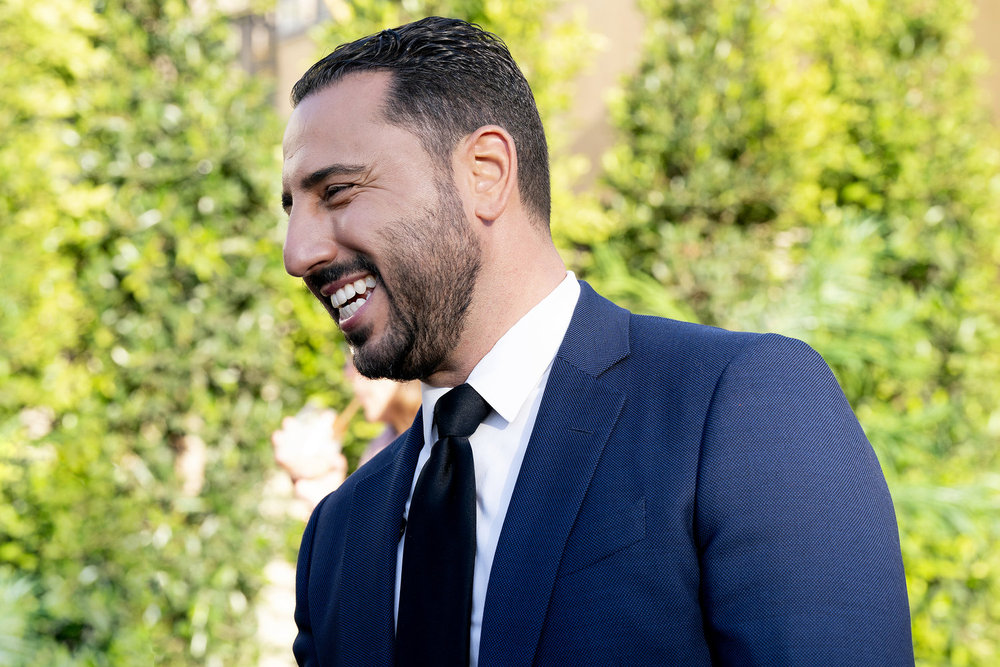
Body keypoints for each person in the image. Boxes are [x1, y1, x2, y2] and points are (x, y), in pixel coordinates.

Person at [279, 16, 913, 666]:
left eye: (337, 191)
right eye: (291, 208)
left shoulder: (738, 407)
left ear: (486, 172)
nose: (298, 253)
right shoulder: (338, 538)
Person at [271, 362, 421, 512]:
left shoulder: (426, 447)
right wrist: (329, 495)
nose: (348, 374)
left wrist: (330, 508)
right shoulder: (385, 442)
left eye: (356, 360)